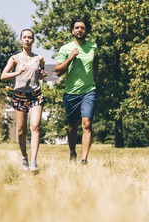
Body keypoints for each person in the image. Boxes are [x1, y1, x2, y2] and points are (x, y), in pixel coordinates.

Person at [1, 29, 47, 172]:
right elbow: (3, 76)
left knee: (35, 126)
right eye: (24, 37)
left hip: (35, 96)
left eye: (30, 37)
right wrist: (18, 72)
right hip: (19, 96)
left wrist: (42, 75)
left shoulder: (39, 58)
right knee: (21, 130)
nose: (27, 39)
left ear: (33, 40)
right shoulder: (15, 59)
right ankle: (24, 157)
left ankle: (34, 161)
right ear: (21, 40)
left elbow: (39, 74)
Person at [55, 17, 98, 165]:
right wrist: (71, 58)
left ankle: (84, 159)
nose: (80, 30)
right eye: (77, 27)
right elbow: (58, 71)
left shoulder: (93, 46)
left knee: (87, 123)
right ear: (72, 30)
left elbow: (96, 61)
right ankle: (72, 152)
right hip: (71, 93)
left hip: (89, 90)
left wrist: (96, 75)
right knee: (73, 126)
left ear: (86, 30)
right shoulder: (65, 48)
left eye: (82, 27)